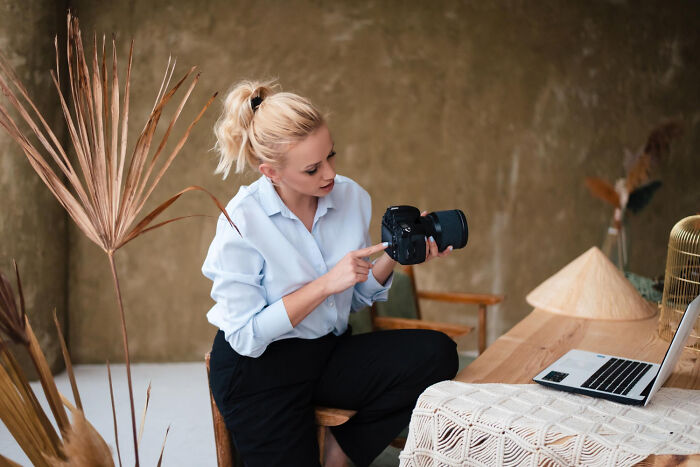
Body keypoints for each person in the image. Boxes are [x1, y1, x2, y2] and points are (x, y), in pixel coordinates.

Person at [203, 80, 458, 467]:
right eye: (312, 168)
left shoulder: (351, 198)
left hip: (327, 350)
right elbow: (245, 335)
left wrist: (395, 256)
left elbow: (351, 298)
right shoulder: (242, 220)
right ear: (270, 171)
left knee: (437, 354)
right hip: (259, 370)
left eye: (331, 156)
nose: (330, 174)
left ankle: (341, 450)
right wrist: (324, 285)